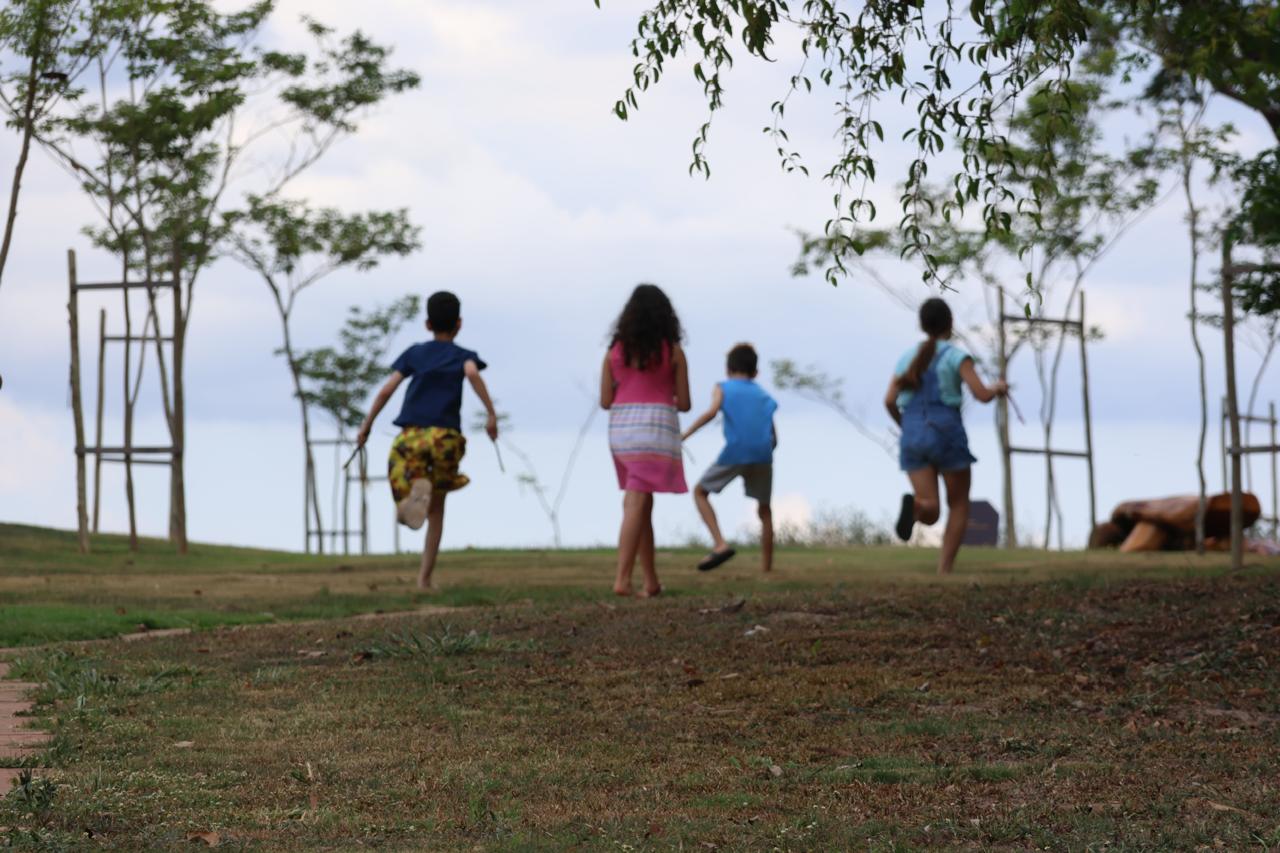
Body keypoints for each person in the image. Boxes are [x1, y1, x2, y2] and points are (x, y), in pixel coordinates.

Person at [356, 291, 498, 590]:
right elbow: (472, 374)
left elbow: (386, 391)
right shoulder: (463, 356)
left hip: (412, 436)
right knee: (438, 508)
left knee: (400, 475)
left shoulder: (415, 354)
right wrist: (490, 414)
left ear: (427, 324)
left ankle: (407, 500)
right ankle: (424, 579)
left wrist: (367, 426)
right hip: (445, 438)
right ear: (458, 324)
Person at [884, 297, 1006, 574]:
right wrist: (998, 388)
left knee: (932, 509)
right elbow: (982, 394)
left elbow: (889, 400)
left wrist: (905, 426)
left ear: (922, 324)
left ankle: (916, 507)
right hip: (946, 430)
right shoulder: (955, 356)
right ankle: (944, 569)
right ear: (950, 324)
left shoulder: (907, 358)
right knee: (958, 503)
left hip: (913, 432)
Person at [600, 283, 691, 597]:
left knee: (639, 500)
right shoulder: (674, 352)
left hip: (622, 429)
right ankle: (622, 579)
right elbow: (684, 403)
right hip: (656, 428)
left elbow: (605, 400)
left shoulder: (614, 352)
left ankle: (650, 581)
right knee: (636, 501)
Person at [682, 343, 778, 573]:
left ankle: (720, 544)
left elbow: (711, 412)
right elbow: (774, 436)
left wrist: (684, 435)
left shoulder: (723, 388)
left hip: (735, 452)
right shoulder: (764, 395)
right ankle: (766, 568)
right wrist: (764, 452)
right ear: (756, 372)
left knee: (700, 492)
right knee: (765, 510)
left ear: (728, 368)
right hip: (763, 454)